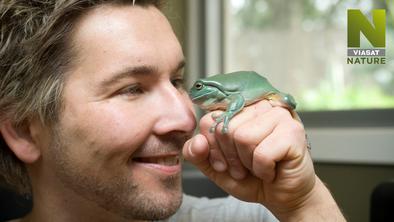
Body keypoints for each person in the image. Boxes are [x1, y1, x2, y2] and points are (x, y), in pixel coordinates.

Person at [0, 0, 346, 221]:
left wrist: (303, 205)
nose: (186, 118)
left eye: (177, 81)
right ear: (23, 130)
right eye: (132, 88)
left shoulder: (252, 217)